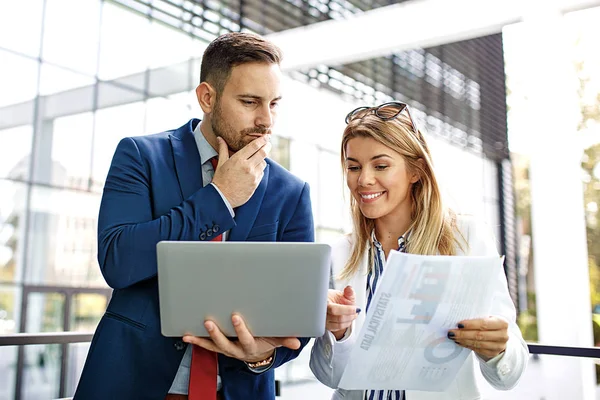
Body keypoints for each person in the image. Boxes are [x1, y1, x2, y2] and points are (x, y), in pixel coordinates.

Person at [74, 32, 314, 400]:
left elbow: (297, 316)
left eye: (274, 104)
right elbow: (118, 261)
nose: (266, 120)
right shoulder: (141, 156)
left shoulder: (292, 192)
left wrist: (263, 355)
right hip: (134, 385)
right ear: (207, 97)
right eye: (250, 101)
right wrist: (219, 199)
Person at [309, 102, 529, 400]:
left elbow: (508, 376)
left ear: (415, 170)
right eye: (353, 167)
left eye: (381, 165)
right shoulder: (340, 253)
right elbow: (332, 378)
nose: (363, 180)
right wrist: (339, 334)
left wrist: (498, 350)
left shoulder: (467, 238)